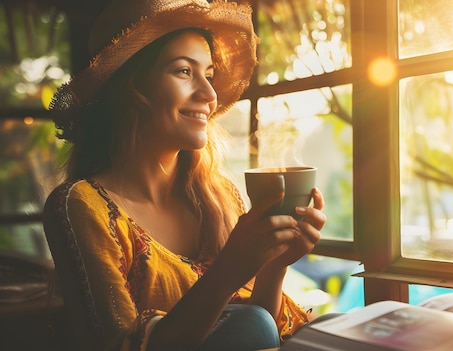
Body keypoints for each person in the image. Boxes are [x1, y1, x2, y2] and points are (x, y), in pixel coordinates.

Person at [43, 0, 326, 350]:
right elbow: (122, 345)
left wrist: (276, 264)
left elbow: (259, 333)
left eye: (208, 75)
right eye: (183, 71)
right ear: (130, 89)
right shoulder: (84, 205)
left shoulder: (221, 196)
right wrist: (227, 272)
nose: (209, 94)